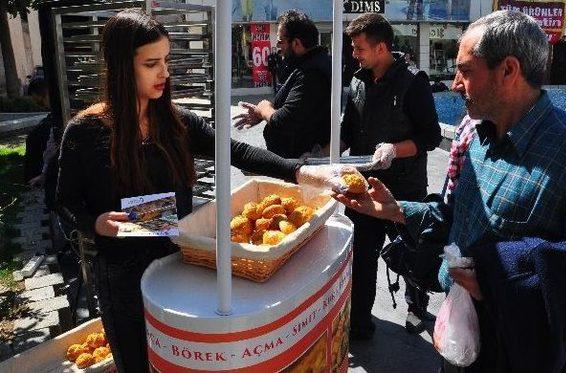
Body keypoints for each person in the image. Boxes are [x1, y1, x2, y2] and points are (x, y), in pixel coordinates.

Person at [333, 10, 566, 371]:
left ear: (508, 70)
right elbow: (453, 218)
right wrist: (393, 209)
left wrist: (506, 290)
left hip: (529, 355)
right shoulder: (479, 139)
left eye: (465, 71)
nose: (455, 85)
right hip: (462, 342)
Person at [55, 10, 347, 372]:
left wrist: (300, 171)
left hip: (180, 264)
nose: (164, 72)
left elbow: (236, 150)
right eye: (151, 64)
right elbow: (64, 201)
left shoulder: (174, 121)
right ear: (119, 68)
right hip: (122, 277)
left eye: (166, 60)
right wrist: (94, 222)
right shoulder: (86, 131)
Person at [340, 13, 441, 339]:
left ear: (381, 47)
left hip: (404, 189)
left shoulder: (414, 82)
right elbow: (347, 132)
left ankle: (416, 308)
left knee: (412, 252)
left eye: (358, 48)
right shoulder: (357, 80)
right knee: (361, 258)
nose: (354, 54)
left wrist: (395, 149)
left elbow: (431, 136)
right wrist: (323, 152)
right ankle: (359, 325)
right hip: (362, 186)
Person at [233, 10, 331, 159]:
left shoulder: (312, 73)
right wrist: (262, 114)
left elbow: (285, 121)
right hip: (294, 161)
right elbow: (295, 106)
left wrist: (264, 108)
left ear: (296, 43)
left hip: (302, 164)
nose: (278, 47)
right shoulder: (305, 65)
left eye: (280, 41)